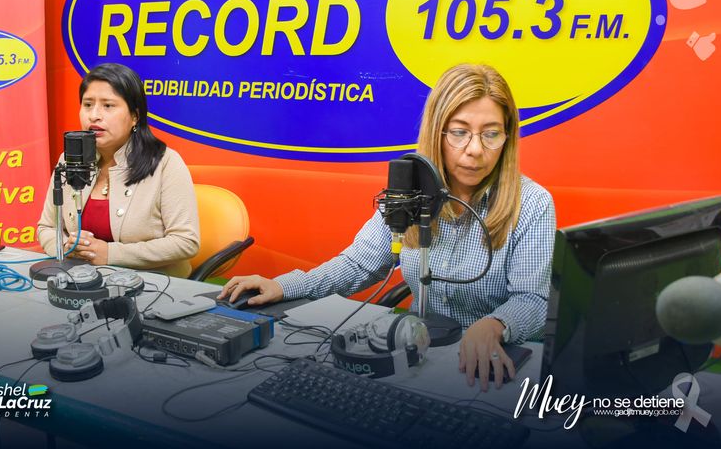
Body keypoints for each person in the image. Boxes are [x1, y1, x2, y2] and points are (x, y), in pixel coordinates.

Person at [219, 63, 555, 390]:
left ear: (507, 137)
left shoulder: (532, 203)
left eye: (491, 134)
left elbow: (533, 300)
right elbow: (358, 265)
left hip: (491, 364)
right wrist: (285, 286)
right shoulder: (409, 189)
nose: (476, 150)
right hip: (421, 354)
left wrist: (495, 325)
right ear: (437, 132)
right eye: (459, 132)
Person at [37, 63, 199, 277]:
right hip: (82, 279)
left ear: (135, 116)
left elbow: (186, 242)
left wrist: (110, 254)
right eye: (88, 104)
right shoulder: (69, 160)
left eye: (108, 106)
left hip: (155, 285)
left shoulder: (166, 163)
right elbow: (46, 228)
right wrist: (67, 247)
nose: (94, 115)